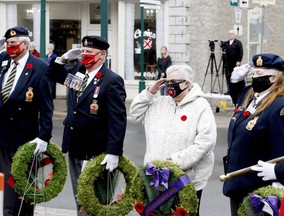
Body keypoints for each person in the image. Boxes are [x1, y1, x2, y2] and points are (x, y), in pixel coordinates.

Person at [48, 35, 127, 216]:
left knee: (94, 201)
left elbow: (117, 119)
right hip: (76, 145)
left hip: (96, 150)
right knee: (79, 197)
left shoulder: (111, 80)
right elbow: (53, 75)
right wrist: (62, 59)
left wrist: (114, 151)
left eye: (89, 52)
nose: (85, 55)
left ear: (101, 55)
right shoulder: (79, 73)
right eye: (83, 51)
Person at [129, 64, 217, 216]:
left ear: (186, 83)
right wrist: (151, 92)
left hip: (185, 181)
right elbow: (135, 112)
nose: (170, 85)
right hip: (155, 179)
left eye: (174, 81)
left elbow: (205, 142)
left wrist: (175, 160)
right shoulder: (159, 103)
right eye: (167, 81)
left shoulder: (201, 106)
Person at [222, 53, 284, 216]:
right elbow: (238, 98)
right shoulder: (249, 96)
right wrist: (235, 81)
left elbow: (282, 150)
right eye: (253, 73)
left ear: (273, 78)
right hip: (238, 182)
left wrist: (278, 173)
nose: (254, 77)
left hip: (258, 188)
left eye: (259, 74)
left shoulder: (280, 107)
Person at [0, 27, 53, 216]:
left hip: (23, 138)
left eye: (13, 44)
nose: (9, 47)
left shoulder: (39, 67)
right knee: (6, 186)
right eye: (7, 44)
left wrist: (44, 136)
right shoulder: (3, 61)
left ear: (25, 44)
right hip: (2, 134)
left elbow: (47, 107)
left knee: (20, 188)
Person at [225, 29, 244, 105]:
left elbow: (241, 52)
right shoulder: (226, 43)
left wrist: (239, 61)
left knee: (234, 76)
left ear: (234, 35)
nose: (231, 35)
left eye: (232, 34)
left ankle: (234, 90)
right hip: (227, 63)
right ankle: (229, 89)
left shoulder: (238, 43)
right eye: (229, 34)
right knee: (228, 76)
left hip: (235, 62)